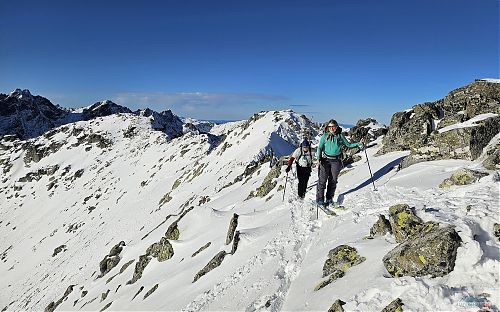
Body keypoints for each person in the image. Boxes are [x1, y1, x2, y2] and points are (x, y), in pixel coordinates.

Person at [316, 119, 364, 206]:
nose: (331, 128)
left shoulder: (340, 136)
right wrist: (318, 158)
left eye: (333, 126)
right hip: (325, 160)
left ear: (336, 126)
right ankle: (320, 199)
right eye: (330, 127)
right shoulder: (325, 136)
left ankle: (329, 199)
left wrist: (358, 144)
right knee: (322, 180)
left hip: (336, 161)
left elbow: (348, 145)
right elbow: (319, 148)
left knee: (333, 180)